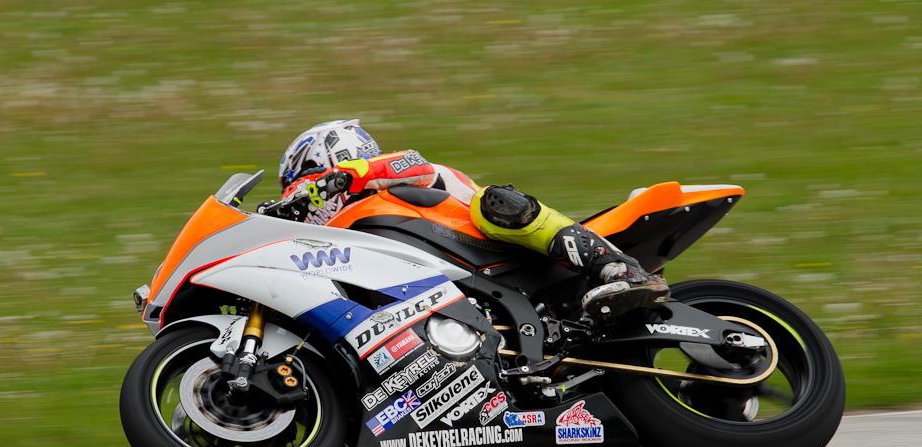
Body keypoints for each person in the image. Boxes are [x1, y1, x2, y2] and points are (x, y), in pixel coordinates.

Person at [275, 119, 668, 317]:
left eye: (300, 184)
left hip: (493, 248)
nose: (298, 197)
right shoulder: (344, 233)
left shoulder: (390, 179)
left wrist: (348, 174)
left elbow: (413, 162)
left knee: (493, 202)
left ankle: (619, 269)